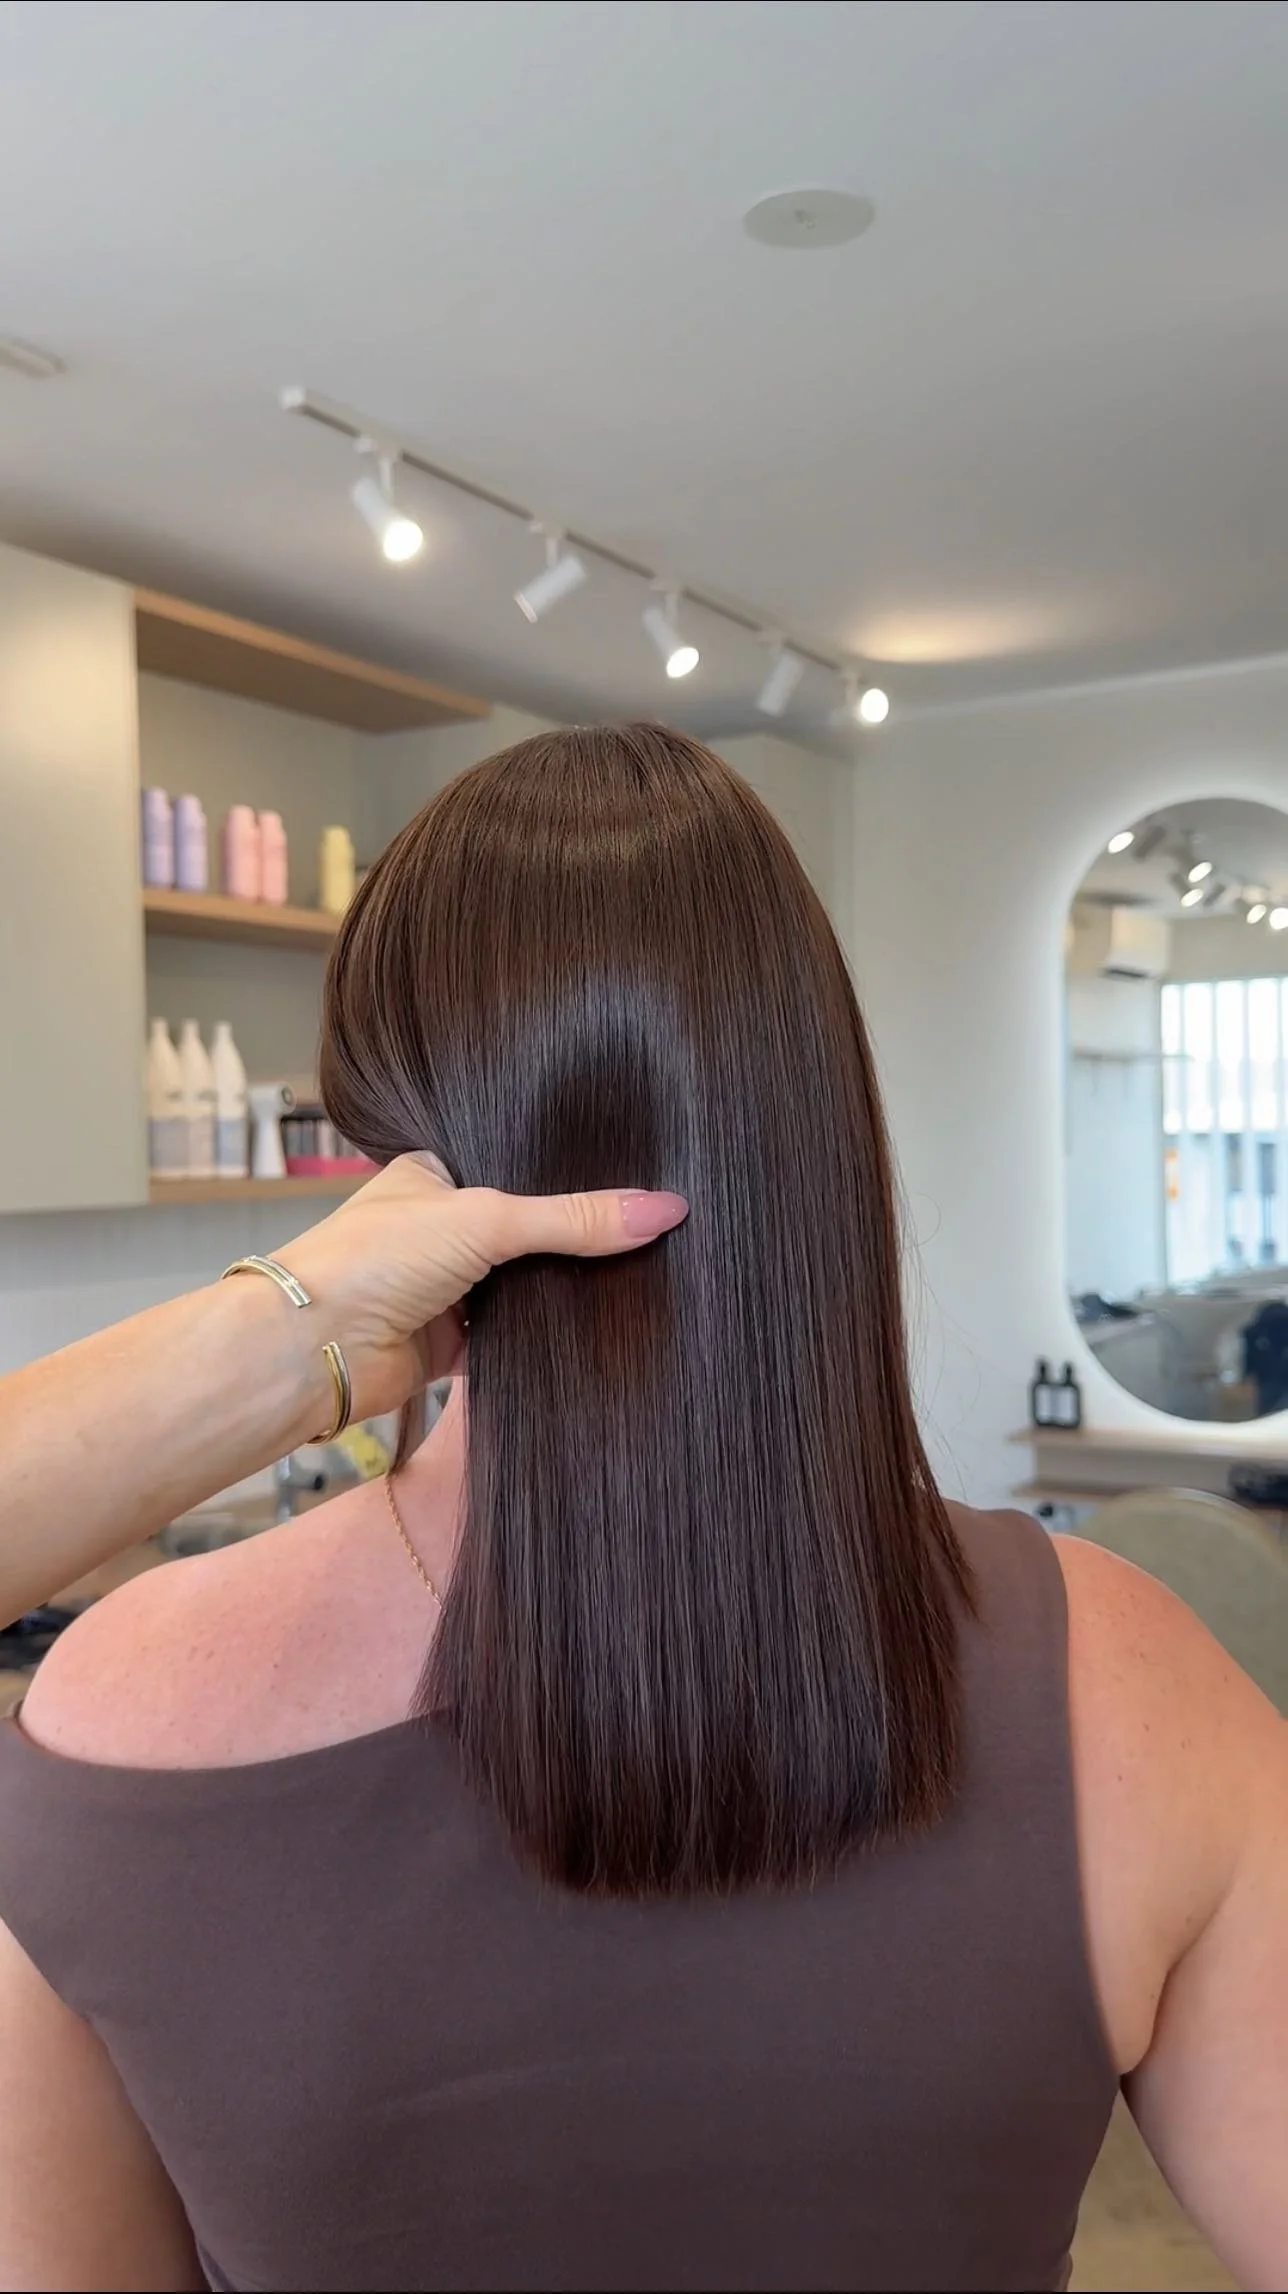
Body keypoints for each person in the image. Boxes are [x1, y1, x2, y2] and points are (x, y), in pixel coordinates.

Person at [0, 724, 1284, 2294]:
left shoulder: (111, 1718)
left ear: (387, 1161)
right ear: (817, 1129)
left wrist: (290, 1333)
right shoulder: (1138, 1691)